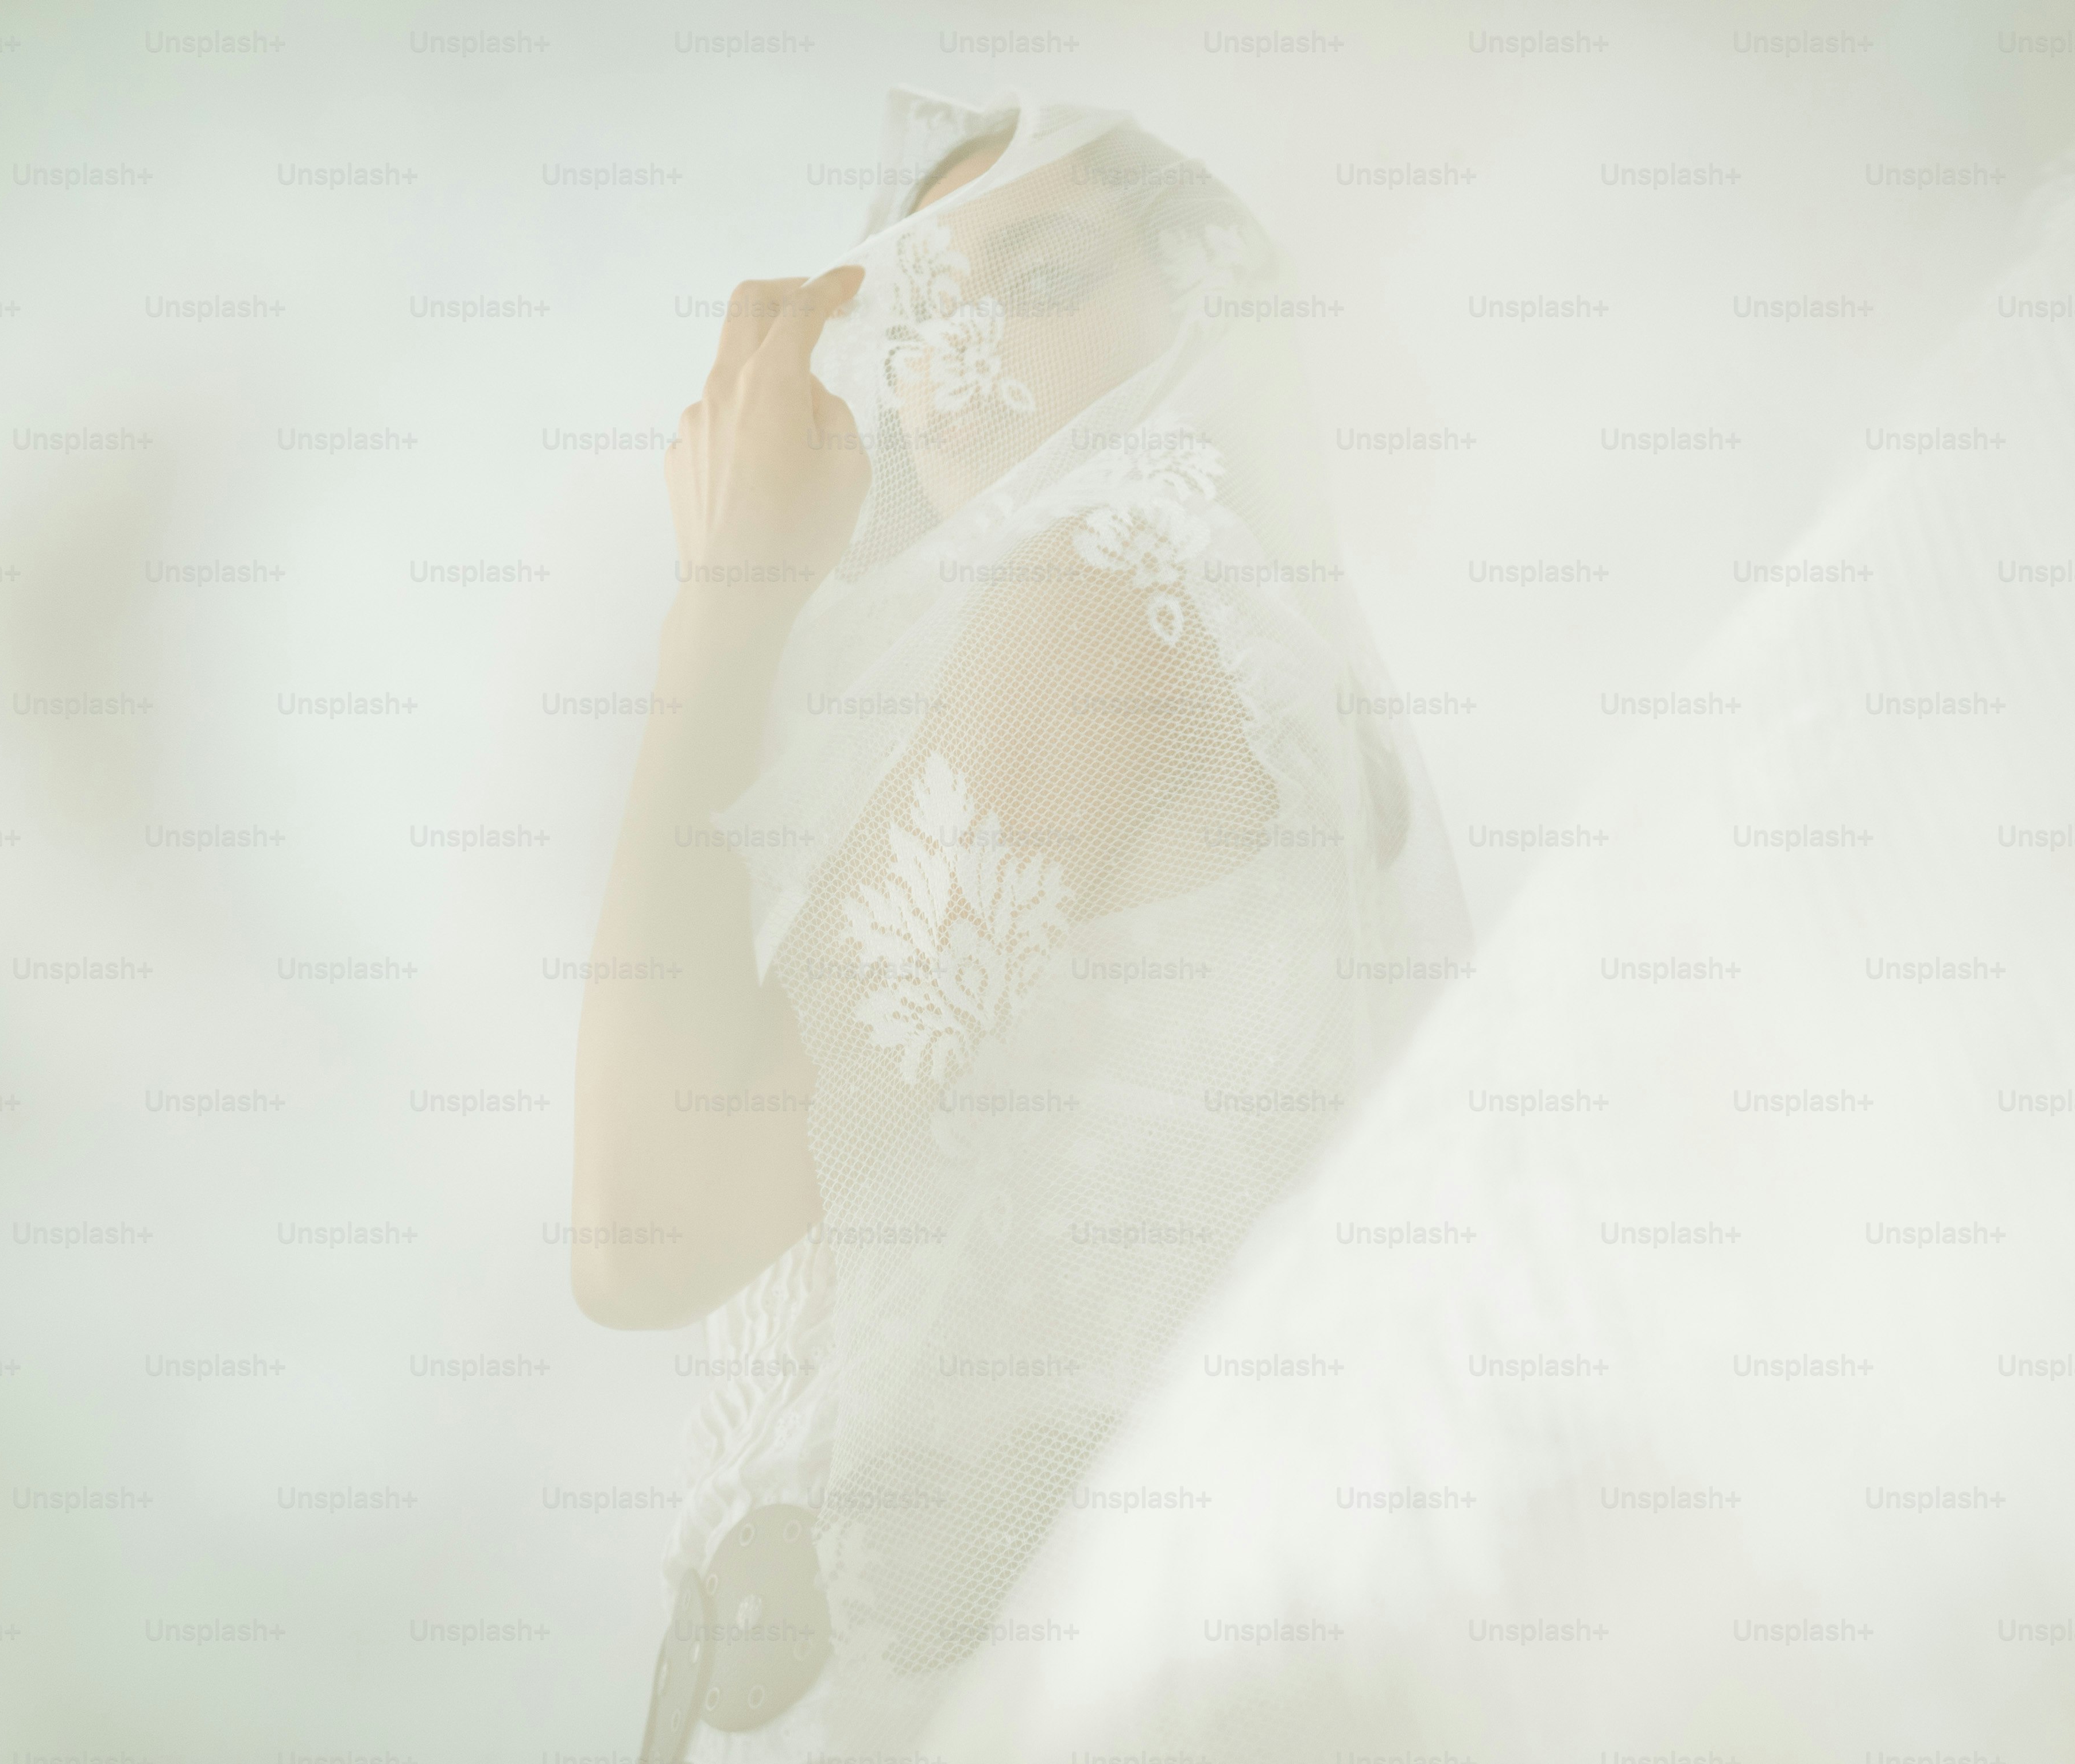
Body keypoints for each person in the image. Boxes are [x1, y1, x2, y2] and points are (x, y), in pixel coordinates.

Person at [568, 87, 1468, 1761]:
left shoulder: (1114, 591)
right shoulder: (1116, 646)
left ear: (1203, 315)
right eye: (922, 310)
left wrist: (725, 597)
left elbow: (646, 1227)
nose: (958, 358)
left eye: (1041, 282)